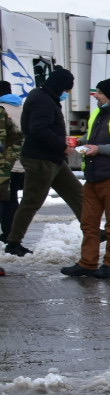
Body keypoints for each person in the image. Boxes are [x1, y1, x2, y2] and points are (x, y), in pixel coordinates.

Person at [61, 79, 110, 278]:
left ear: (109, 95)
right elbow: (91, 138)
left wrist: (99, 149)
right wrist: (77, 142)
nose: (95, 95)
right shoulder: (98, 113)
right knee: (88, 223)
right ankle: (87, 263)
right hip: (94, 176)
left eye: (99, 92)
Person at [4, 66, 83, 257]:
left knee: (78, 195)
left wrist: (59, 143)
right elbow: (39, 129)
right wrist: (61, 145)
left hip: (53, 158)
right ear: (59, 86)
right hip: (40, 159)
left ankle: (95, 232)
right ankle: (13, 242)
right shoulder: (42, 100)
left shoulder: (46, 97)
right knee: (32, 201)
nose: (66, 94)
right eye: (66, 90)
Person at [0, 83, 21, 276]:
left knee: (6, 204)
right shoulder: (19, 107)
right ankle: (10, 236)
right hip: (14, 168)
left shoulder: (2, 112)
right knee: (11, 202)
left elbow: (12, 139)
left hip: (4, 169)